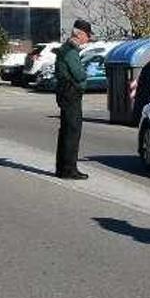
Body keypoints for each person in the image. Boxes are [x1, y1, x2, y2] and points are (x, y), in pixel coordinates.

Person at [53, 20, 93, 180]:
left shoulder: (64, 49)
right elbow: (79, 74)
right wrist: (85, 74)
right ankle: (69, 169)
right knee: (72, 132)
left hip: (64, 93)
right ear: (80, 34)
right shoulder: (71, 52)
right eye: (87, 35)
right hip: (71, 94)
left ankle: (62, 167)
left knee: (65, 131)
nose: (88, 39)